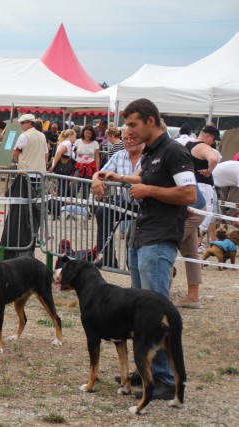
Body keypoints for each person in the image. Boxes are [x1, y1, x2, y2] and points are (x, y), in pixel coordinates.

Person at [101, 98, 196, 401]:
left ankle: (166, 380)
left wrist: (148, 190)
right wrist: (122, 178)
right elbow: (147, 179)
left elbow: (189, 192)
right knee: (142, 314)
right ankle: (148, 373)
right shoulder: (153, 153)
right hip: (141, 237)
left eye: (132, 124)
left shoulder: (174, 151)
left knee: (156, 312)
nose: (128, 130)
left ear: (151, 121)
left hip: (159, 238)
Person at [92, 128, 142, 268]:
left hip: (147, 202)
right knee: (102, 211)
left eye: (132, 138)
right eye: (125, 138)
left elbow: (140, 179)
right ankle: (108, 257)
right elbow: (101, 173)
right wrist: (95, 179)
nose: (128, 141)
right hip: (127, 199)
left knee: (135, 234)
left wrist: (119, 178)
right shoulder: (119, 155)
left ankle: (133, 266)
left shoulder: (149, 156)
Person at [185, 125, 220, 250]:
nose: (214, 142)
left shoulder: (188, 144)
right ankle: (198, 243)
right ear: (208, 135)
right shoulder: (205, 147)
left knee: (191, 214)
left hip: (190, 182)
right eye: (214, 139)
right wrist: (209, 171)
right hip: (203, 184)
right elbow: (214, 159)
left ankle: (192, 242)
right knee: (205, 213)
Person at [73, 124, 100, 198]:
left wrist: (97, 170)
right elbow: (73, 152)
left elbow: (97, 157)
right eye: (86, 133)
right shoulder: (78, 141)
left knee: (86, 187)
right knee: (75, 186)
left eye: (90, 133)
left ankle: (85, 205)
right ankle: (71, 203)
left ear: (92, 134)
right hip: (79, 166)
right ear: (83, 132)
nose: (88, 135)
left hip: (89, 167)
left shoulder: (95, 143)